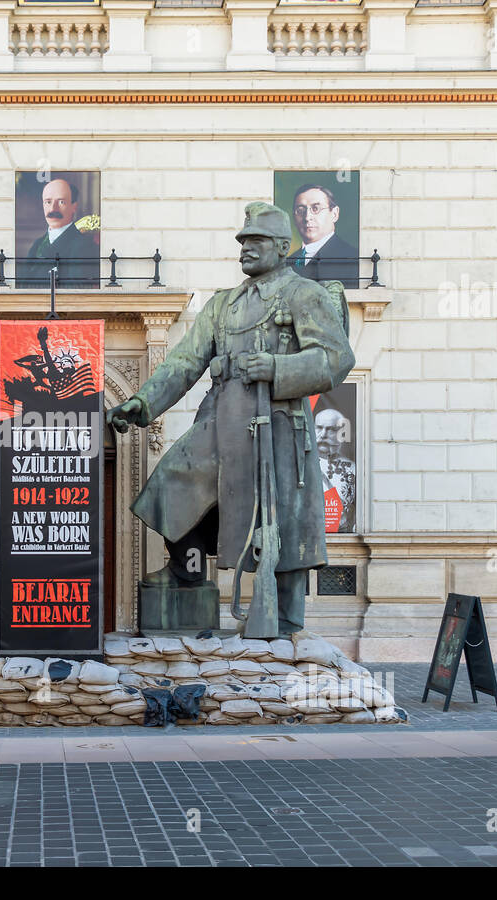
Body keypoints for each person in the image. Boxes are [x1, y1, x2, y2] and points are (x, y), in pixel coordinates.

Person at [108, 201, 355, 639]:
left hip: (275, 426)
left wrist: (278, 369)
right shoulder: (223, 305)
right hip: (221, 420)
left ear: (282, 247)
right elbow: (183, 363)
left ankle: (285, 623)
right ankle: (185, 572)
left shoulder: (304, 295)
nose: (246, 248)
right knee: (170, 484)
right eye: (243, 241)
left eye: (256, 241)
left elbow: (336, 359)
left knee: (282, 524)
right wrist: (142, 403)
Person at [17, 177, 100, 289]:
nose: (53, 209)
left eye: (61, 202)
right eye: (48, 202)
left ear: (74, 206)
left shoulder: (85, 246)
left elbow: (78, 294)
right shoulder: (37, 244)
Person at [286, 183, 359, 286]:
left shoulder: (353, 259)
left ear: (334, 214)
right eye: (301, 210)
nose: (307, 217)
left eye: (315, 208)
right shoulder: (287, 264)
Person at [315, 406, 355, 534]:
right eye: (319, 428)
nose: (323, 435)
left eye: (331, 429)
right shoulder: (300, 466)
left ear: (342, 433)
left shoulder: (353, 468)